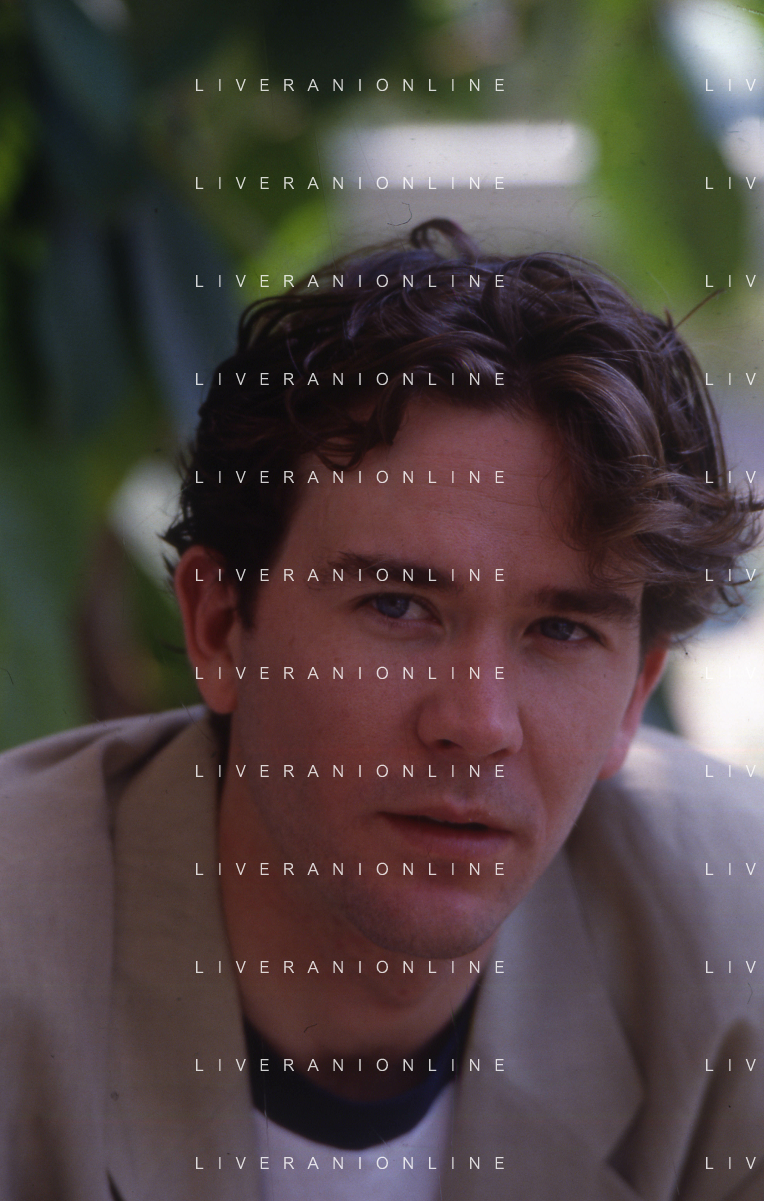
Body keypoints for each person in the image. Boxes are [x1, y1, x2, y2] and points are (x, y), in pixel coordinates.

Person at [1, 219, 762, 1200]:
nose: (476, 723)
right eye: (397, 605)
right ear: (220, 625)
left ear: (634, 697)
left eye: (560, 630)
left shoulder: (732, 950)